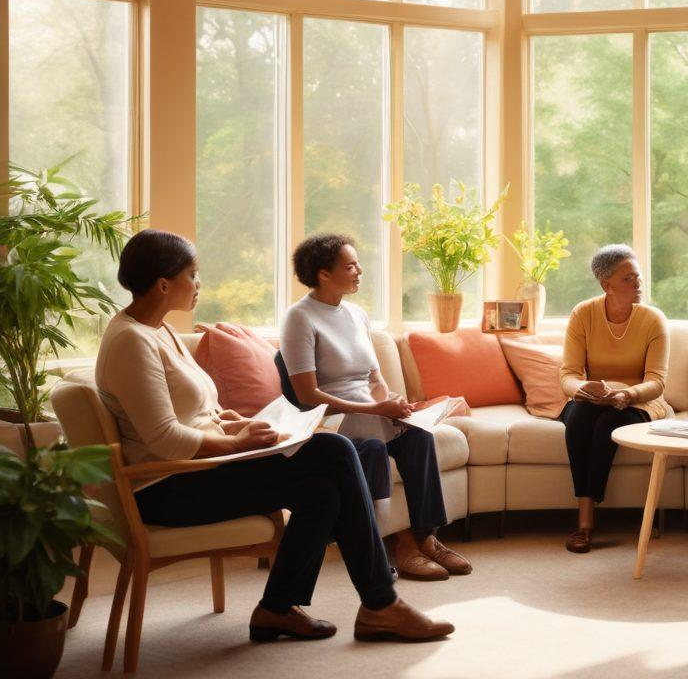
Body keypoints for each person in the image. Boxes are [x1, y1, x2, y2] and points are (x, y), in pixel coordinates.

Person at [94, 229, 452, 644]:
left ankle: (277, 609)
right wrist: (239, 442)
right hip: (166, 488)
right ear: (163, 284)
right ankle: (381, 604)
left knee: (323, 491)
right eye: (193, 275)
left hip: (197, 470)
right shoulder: (131, 342)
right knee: (333, 450)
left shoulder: (158, 330)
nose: (198, 284)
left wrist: (235, 424)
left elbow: (195, 413)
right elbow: (167, 440)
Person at [280, 233, 470, 581]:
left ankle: (425, 537)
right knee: (371, 447)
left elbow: (374, 376)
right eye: (350, 265)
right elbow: (307, 394)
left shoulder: (356, 314)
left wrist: (391, 401)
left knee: (419, 438)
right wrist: (374, 410)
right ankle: (395, 547)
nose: (359, 271)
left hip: (371, 413)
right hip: (332, 420)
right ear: (323, 274)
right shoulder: (300, 318)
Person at [560, 244, 670, 553]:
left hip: (639, 401)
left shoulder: (652, 319)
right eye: (629, 279)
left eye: (638, 277)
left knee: (609, 421)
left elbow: (657, 382)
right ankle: (584, 520)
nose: (638, 284)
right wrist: (582, 389)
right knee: (580, 417)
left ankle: (588, 515)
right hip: (592, 400)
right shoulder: (583, 314)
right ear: (606, 285)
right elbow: (567, 373)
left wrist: (626, 394)